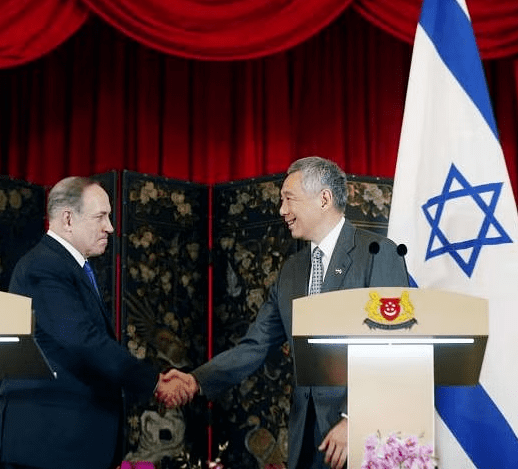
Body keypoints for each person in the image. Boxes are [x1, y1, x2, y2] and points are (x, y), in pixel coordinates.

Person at [156, 157, 409, 469]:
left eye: (289, 199)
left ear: (324, 199)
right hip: (306, 438)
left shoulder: (379, 254)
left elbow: (393, 348)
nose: (281, 211)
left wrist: (355, 418)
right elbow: (255, 344)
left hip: (362, 436)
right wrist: (195, 380)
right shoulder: (292, 270)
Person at [0, 176, 174, 469]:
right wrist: (152, 381)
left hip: (73, 440)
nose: (110, 227)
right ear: (68, 219)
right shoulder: (44, 265)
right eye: (100, 216)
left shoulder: (67, 265)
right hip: (51, 442)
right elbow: (80, 338)